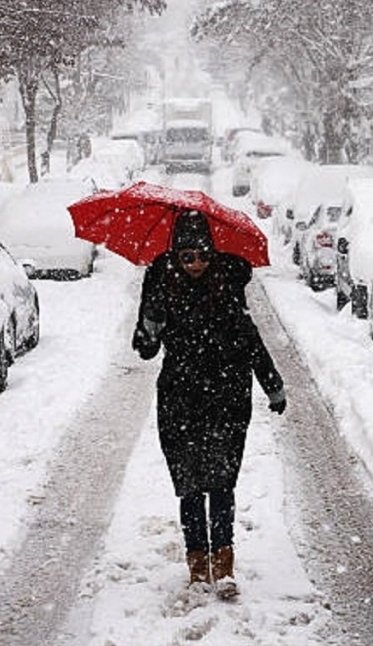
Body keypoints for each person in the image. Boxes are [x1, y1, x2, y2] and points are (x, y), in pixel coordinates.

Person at [132, 209, 286, 600]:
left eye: (202, 255)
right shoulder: (161, 285)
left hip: (226, 400)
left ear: (212, 253)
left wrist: (273, 385)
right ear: (177, 256)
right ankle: (197, 565)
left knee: (220, 484)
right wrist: (149, 325)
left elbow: (250, 341)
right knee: (189, 486)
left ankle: (224, 564)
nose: (196, 263)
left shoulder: (228, 285)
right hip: (180, 401)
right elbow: (146, 350)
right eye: (187, 257)